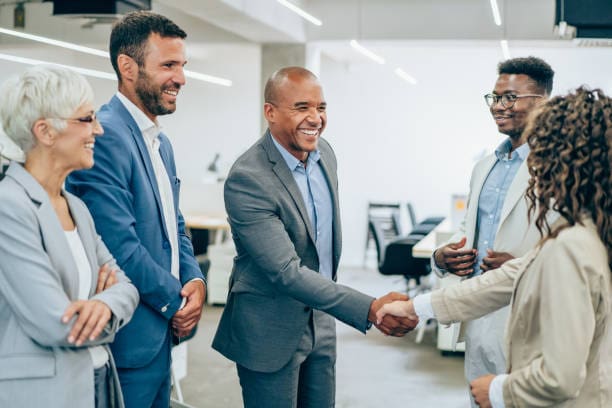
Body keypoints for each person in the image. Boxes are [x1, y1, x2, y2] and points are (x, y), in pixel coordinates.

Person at [378, 86, 611, 407]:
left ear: (565, 161)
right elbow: (507, 278)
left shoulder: (573, 246)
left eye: (542, 150)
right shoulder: (588, 227)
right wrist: (416, 308)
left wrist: (499, 391)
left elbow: (561, 376)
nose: (535, 165)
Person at [212, 66, 417, 408]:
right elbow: (285, 272)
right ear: (270, 112)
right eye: (302, 107)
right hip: (269, 327)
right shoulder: (249, 178)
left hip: (321, 320)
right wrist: (370, 307)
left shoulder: (326, 156)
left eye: (321, 108)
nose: (315, 118)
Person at [66, 11, 205, 408]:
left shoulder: (160, 142)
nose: (181, 78)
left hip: (160, 337)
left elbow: (173, 225)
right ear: (128, 67)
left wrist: (195, 280)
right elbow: (118, 243)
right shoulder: (106, 136)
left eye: (182, 65)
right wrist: (175, 301)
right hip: (129, 340)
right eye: (168, 65)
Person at [0, 65, 139, 408]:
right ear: (45, 131)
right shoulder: (9, 206)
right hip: (45, 393)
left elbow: (127, 287)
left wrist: (103, 303)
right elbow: (57, 324)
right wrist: (109, 310)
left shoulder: (75, 206)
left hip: (99, 379)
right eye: (86, 119)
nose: (99, 129)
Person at [431, 56, 557, 403]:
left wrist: (523, 267)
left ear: (542, 102)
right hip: (480, 318)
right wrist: (442, 258)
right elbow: (467, 230)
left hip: (530, 318)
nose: (498, 107)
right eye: (495, 97)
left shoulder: (560, 167)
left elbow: (572, 244)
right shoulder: (484, 166)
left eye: (510, 98)